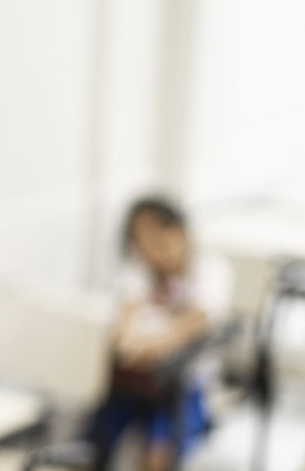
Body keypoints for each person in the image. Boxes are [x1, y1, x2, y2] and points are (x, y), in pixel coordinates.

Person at [89, 196, 233, 471]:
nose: (152, 250)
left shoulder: (210, 270)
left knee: (157, 457)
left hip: (184, 388)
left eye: (158, 239)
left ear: (179, 231)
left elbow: (190, 324)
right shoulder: (138, 271)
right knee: (94, 444)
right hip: (131, 385)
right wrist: (133, 342)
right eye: (141, 241)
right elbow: (123, 324)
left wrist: (144, 345)